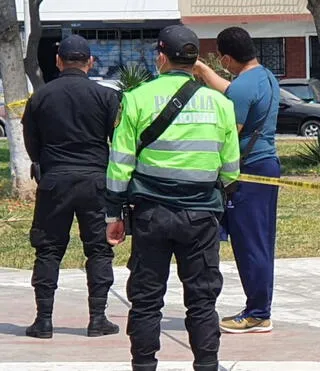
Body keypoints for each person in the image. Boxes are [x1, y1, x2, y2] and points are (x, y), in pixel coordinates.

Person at [104, 25, 240, 371]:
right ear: (195, 60)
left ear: (161, 56)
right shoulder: (221, 103)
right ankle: (207, 364)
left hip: (151, 214)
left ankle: (144, 365)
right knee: (202, 300)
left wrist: (113, 214)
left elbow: (120, 163)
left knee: (147, 300)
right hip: (201, 217)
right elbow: (231, 169)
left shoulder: (136, 98)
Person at [21, 34, 120, 339]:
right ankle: (98, 318)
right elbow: (117, 143)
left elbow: (31, 144)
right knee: (99, 251)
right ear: (90, 62)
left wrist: (46, 165)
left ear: (58, 62)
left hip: (55, 182)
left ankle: (44, 320)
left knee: (48, 250)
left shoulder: (39, 97)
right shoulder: (107, 97)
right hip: (95, 182)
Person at [192, 26, 280, 334]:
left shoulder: (243, 87)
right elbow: (230, 89)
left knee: (250, 243)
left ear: (227, 58)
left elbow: (232, 134)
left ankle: (258, 313)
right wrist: (202, 70)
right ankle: (259, 308)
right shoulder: (263, 76)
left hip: (249, 172)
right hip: (267, 166)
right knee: (260, 239)